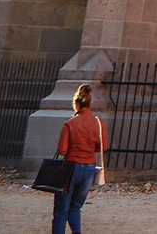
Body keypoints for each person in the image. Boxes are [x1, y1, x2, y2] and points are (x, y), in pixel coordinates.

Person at [50, 82, 105, 234]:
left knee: (61, 211)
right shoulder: (98, 123)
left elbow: (62, 150)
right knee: (76, 207)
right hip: (89, 167)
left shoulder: (69, 124)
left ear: (75, 103)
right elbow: (102, 147)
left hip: (70, 168)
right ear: (90, 102)